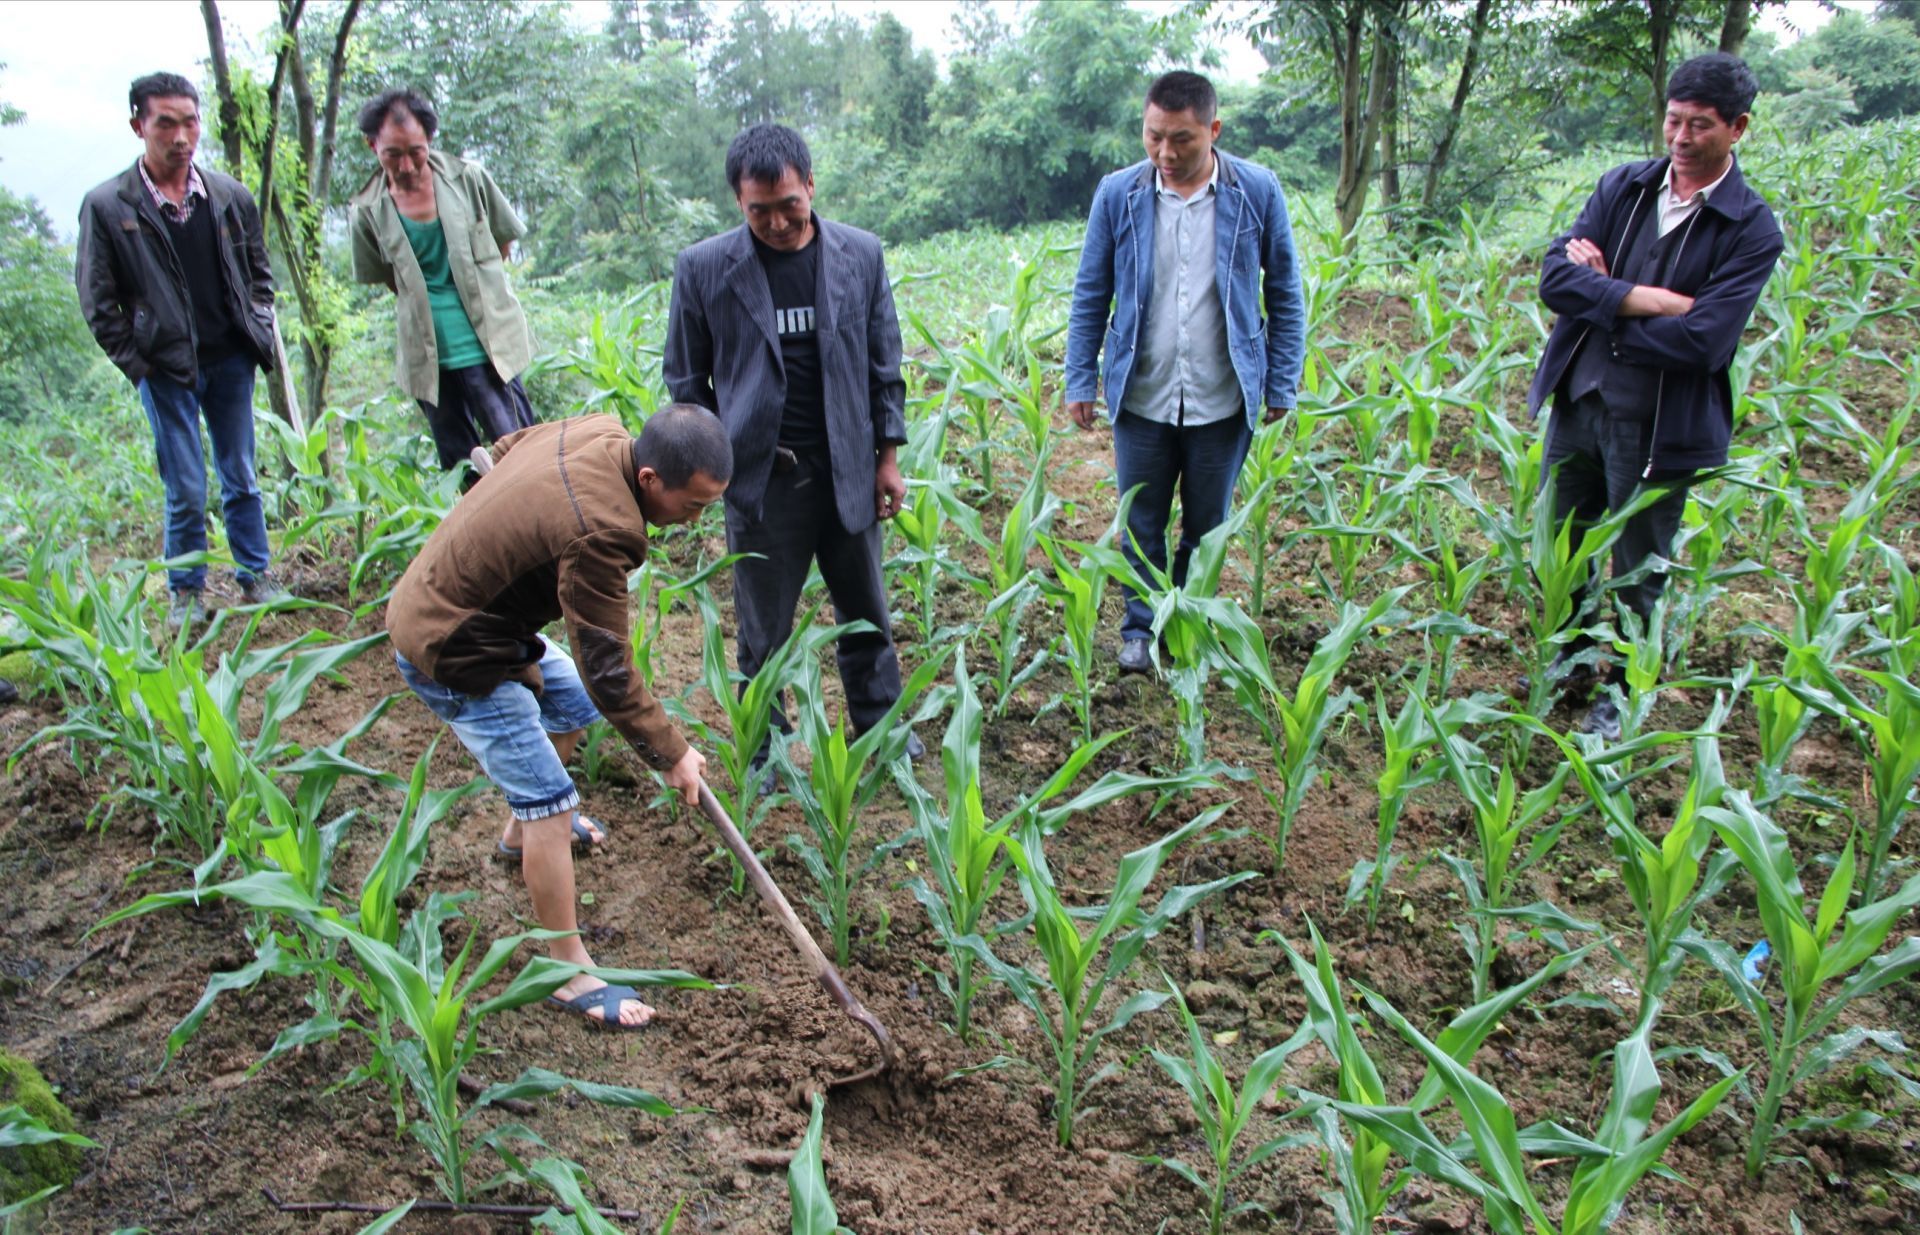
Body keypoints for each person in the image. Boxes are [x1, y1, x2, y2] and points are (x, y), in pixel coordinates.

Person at [386, 407, 728, 1029]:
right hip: (451, 646)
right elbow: (610, 673)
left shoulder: (598, 431)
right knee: (552, 800)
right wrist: (672, 753)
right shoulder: (605, 528)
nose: (696, 520)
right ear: (649, 478)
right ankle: (567, 972)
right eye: (695, 505)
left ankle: (520, 838)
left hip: (474, 615)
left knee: (567, 702)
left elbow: (501, 447)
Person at [1527, 53, 1783, 741]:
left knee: (1639, 567)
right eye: (1673, 120)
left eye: (1700, 125)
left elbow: (1704, 342)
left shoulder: (1751, 227)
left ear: (1738, 129)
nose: (1680, 137)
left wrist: (1603, 304)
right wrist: (1647, 301)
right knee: (1562, 545)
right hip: (1580, 404)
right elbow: (1556, 279)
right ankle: (1572, 661)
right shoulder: (1627, 188)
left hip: (1658, 426)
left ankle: (1623, 689)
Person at [663, 123, 922, 774]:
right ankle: (765, 751)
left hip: (848, 469)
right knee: (762, 633)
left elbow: (883, 361)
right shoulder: (704, 270)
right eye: (759, 211)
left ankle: (882, 731)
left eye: (788, 205)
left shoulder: (859, 255)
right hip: (760, 481)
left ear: (810, 185)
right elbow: (687, 383)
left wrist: (887, 456)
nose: (777, 223)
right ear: (738, 203)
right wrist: (708, 472)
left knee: (866, 614)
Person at [1065, 70, 1306, 675]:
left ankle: (1186, 625)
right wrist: (1078, 377)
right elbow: (1091, 291)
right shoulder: (1118, 194)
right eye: (1153, 138)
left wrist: (1280, 380)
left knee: (1206, 526)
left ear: (1214, 131)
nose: (1165, 154)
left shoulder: (1257, 191)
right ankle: (1140, 631)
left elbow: (1285, 290)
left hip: (1222, 398)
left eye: (1182, 141)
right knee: (1140, 520)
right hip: (1141, 392)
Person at [75, 72, 286, 628]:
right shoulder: (108, 206)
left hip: (231, 359)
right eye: (165, 122)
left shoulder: (227, 196)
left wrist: (256, 325)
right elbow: (98, 303)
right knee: (186, 484)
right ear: (138, 125)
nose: (180, 135)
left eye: (190, 121)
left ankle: (255, 574)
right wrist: (140, 364)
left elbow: (258, 274)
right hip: (165, 368)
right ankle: (187, 591)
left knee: (241, 472)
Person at [349, 88, 536, 474]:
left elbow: (502, 244)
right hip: (429, 357)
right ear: (372, 147)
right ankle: (484, 536)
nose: (405, 165)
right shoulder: (367, 211)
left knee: (523, 453)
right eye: (392, 155)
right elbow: (390, 279)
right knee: (462, 467)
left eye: (414, 151)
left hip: (488, 345)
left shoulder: (469, 180)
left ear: (430, 139)